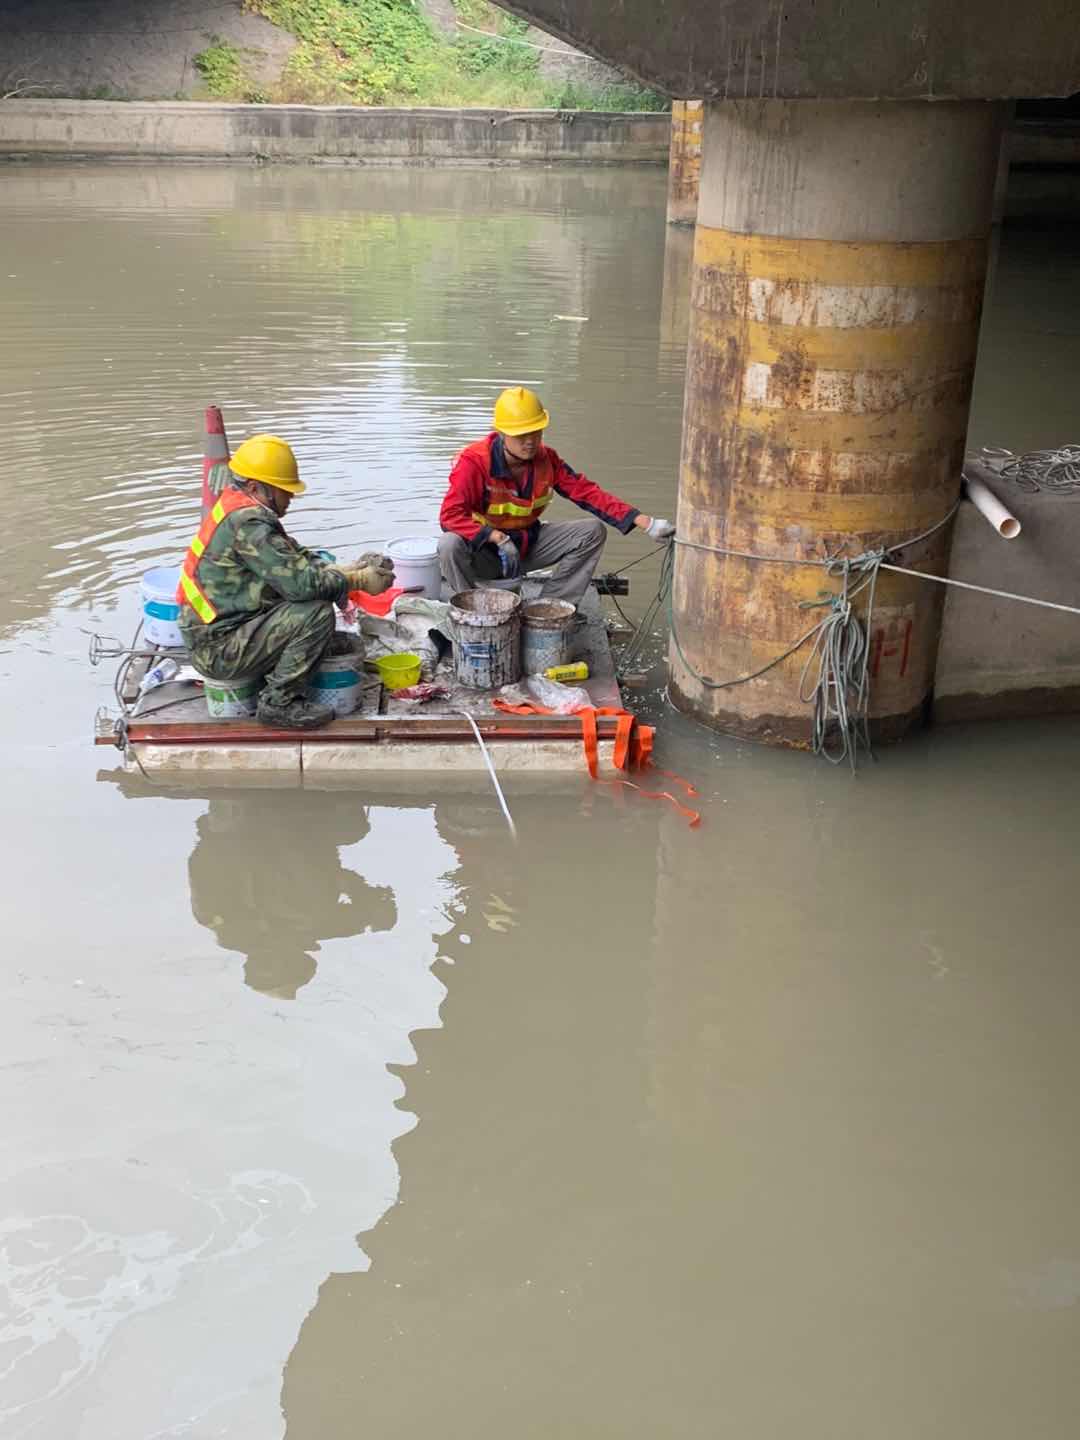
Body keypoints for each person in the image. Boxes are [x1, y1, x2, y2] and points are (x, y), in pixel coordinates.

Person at [177, 433, 393, 731]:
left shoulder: (238, 506)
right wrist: (355, 580)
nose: (290, 498)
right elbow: (301, 585)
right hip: (217, 649)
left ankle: (276, 682)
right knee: (314, 612)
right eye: (284, 491)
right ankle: (279, 703)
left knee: (313, 595)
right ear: (256, 487)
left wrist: (343, 569)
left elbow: (295, 557)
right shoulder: (249, 523)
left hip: (221, 630)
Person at [438, 387, 674, 605]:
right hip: (486, 553)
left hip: (527, 544)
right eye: (521, 435)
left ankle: (548, 607)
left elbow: (587, 492)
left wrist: (646, 523)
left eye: (536, 432)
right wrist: (494, 537)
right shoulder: (475, 462)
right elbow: (449, 516)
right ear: (502, 433)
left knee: (592, 532)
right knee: (449, 544)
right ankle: (470, 608)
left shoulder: (547, 460)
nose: (530, 441)